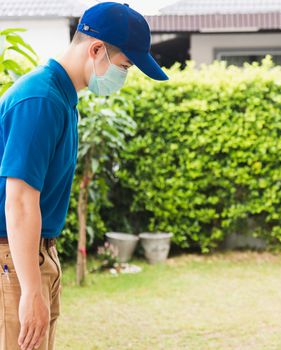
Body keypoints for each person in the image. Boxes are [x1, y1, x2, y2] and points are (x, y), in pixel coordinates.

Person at [0, 2, 168, 349]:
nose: (124, 76)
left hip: (36, 253)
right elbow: (19, 200)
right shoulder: (40, 99)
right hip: (14, 260)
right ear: (96, 49)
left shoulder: (62, 97)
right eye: (124, 66)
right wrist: (31, 288)